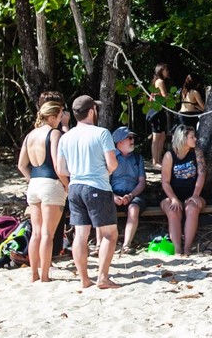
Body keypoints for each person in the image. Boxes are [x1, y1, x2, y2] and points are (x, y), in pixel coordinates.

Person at [56, 95, 120, 289]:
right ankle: (102, 276)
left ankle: (84, 279)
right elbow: (112, 164)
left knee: (80, 235)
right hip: (97, 186)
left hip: (75, 187)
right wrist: (102, 171)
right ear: (91, 111)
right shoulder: (102, 133)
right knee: (109, 234)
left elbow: (61, 170)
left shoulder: (66, 137)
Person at [15, 100, 65, 282]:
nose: (60, 120)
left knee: (36, 232)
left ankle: (34, 274)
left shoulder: (30, 135)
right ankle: (45, 275)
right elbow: (57, 163)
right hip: (50, 183)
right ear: (52, 117)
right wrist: (66, 184)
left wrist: (32, 180)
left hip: (34, 183)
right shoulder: (54, 134)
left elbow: (21, 165)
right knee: (47, 234)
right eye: (59, 116)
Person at [161, 124, 206, 257]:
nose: (195, 139)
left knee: (192, 208)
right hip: (171, 193)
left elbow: (202, 174)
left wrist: (196, 195)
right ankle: (177, 249)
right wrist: (173, 198)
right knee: (173, 210)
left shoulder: (197, 152)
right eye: (192, 137)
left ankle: (187, 248)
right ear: (183, 138)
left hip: (192, 192)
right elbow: (165, 182)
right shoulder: (170, 156)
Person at [111, 126, 147, 255]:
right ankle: (106, 244)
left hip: (133, 193)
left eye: (132, 138)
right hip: (113, 193)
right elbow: (103, 181)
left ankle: (126, 245)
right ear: (119, 142)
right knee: (105, 207)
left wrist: (131, 195)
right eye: (129, 138)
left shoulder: (138, 158)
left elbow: (142, 182)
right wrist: (113, 196)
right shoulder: (110, 158)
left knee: (134, 209)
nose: (132, 141)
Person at [148, 63, 172, 166]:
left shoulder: (159, 81)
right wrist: (172, 97)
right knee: (156, 136)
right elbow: (164, 96)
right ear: (161, 71)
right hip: (156, 111)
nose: (167, 72)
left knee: (162, 135)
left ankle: (159, 159)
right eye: (166, 70)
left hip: (160, 110)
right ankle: (155, 161)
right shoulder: (160, 81)